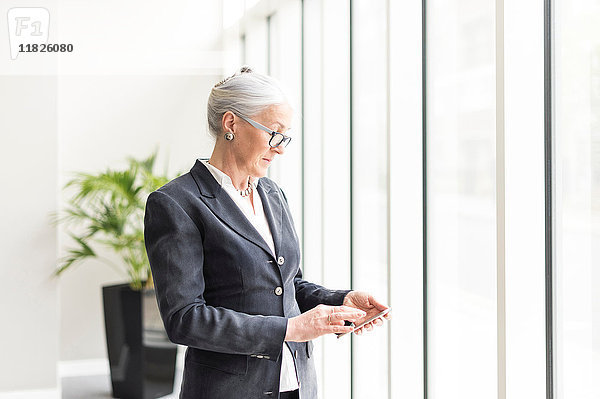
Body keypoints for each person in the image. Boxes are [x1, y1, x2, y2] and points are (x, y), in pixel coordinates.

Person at [144, 66, 391, 399]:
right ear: (231, 123)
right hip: (228, 390)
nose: (280, 148)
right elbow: (185, 318)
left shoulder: (272, 193)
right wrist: (290, 329)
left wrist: (342, 302)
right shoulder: (177, 203)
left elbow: (288, 286)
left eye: (285, 136)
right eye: (274, 133)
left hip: (297, 383)